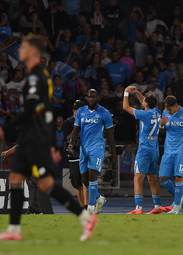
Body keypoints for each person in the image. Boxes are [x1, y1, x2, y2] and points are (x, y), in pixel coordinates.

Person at [0, 35, 97, 241]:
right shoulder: (36, 76)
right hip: (32, 138)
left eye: (23, 46)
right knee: (17, 178)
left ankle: (84, 216)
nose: (19, 50)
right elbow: (48, 113)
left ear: (33, 51)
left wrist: (5, 127)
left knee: (45, 185)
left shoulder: (36, 78)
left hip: (35, 140)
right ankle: (15, 229)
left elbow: (34, 108)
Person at [68, 89, 116, 214]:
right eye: (89, 97)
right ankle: (99, 199)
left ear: (97, 98)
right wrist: (71, 144)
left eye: (93, 97)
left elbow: (110, 135)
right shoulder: (81, 112)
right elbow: (75, 130)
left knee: (92, 175)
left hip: (97, 147)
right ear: (86, 98)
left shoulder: (104, 113)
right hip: (84, 148)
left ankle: (90, 207)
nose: (91, 99)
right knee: (84, 180)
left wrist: (113, 155)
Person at [123, 85, 163, 214]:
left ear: (146, 104)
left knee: (138, 178)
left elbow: (125, 107)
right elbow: (145, 102)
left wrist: (126, 93)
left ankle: (138, 208)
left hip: (144, 150)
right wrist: (137, 92)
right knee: (152, 179)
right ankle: (157, 207)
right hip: (154, 150)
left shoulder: (144, 114)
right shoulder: (157, 112)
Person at [63, 100, 88, 209]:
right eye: (79, 111)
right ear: (74, 111)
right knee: (77, 183)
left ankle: (87, 206)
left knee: (86, 181)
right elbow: (67, 139)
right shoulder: (67, 123)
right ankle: (83, 206)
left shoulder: (87, 121)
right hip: (74, 155)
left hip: (85, 153)